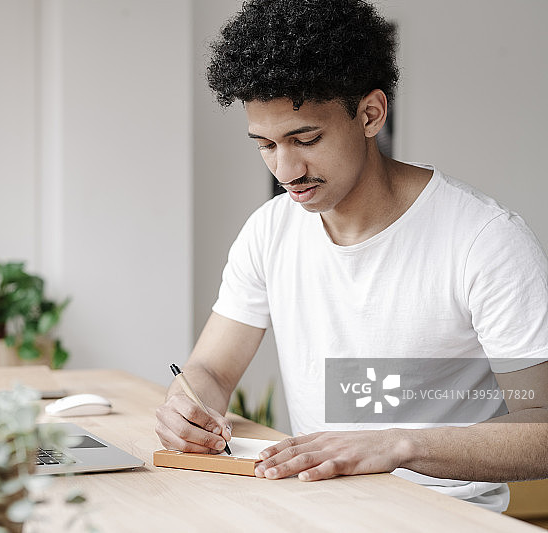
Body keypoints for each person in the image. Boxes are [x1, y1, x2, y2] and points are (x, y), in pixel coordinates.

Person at [154, 0, 548, 512]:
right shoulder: (270, 230)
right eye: (265, 145)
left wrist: (398, 446)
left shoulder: (485, 240)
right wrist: (186, 404)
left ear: (370, 114)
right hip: (318, 508)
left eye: (306, 138)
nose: (286, 171)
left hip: (442, 516)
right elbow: (211, 368)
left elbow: (542, 429)